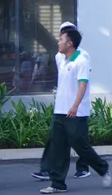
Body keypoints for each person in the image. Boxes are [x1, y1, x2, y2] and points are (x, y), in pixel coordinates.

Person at [40, 28, 112, 193]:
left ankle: (102, 168)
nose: (58, 42)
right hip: (60, 111)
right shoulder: (62, 60)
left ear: (70, 43)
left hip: (76, 112)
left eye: (61, 40)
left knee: (80, 146)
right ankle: (57, 184)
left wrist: (75, 105)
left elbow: (83, 84)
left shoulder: (81, 61)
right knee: (58, 147)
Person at [32, 22, 90, 181]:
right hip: (62, 107)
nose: (61, 38)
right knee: (55, 139)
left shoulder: (83, 57)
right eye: (61, 34)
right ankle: (47, 170)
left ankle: (84, 167)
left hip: (79, 106)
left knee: (80, 139)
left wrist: (76, 104)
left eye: (67, 34)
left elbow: (82, 83)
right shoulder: (59, 56)